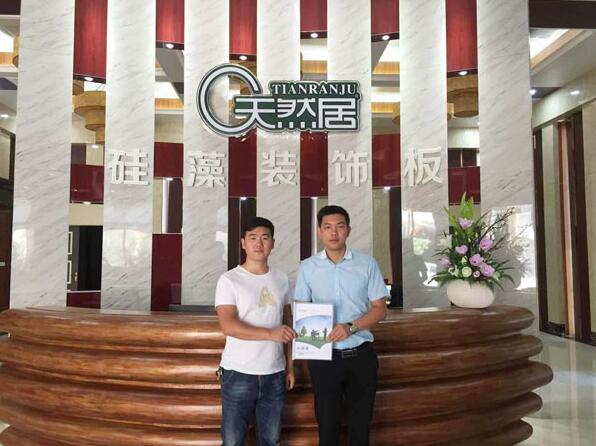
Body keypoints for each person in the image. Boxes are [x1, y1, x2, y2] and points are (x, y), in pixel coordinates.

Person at [294, 205, 388, 446]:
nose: (333, 233)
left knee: (361, 426)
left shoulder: (367, 264)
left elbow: (380, 309)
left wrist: (351, 327)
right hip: (323, 358)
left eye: (340, 226)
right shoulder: (307, 267)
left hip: (361, 357)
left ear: (348, 230)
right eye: (327, 227)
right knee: (327, 426)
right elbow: (302, 310)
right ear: (319, 231)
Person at [215, 216, 296, 446]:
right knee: (232, 442)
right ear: (243, 243)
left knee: (271, 441)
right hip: (238, 372)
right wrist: (270, 334)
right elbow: (228, 325)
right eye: (253, 238)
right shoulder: (229, 280)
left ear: (273, 243)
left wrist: (290, 367)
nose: (259, 243)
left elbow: (287, 323)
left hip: (275, 373)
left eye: (265, 238)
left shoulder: (281, 279)